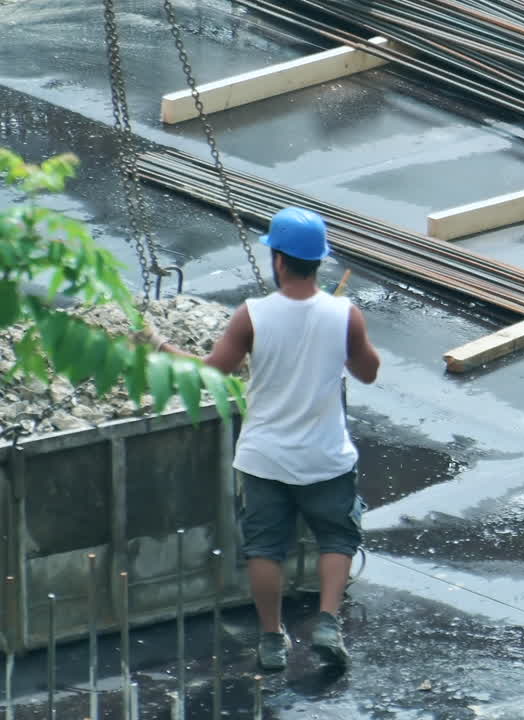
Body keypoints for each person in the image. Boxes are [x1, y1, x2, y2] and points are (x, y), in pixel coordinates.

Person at [143, 206, 381, 670]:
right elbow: (368, 372)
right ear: (319, 261)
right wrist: (347, 339)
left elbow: (213, 373)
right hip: (326, 457)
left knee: (264, 549)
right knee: (336, 537)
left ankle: (273, 639)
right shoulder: (343, 313)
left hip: (265, 459)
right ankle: (328, 620)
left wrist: (159, 346)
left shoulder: (252, 316)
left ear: (278, 260)